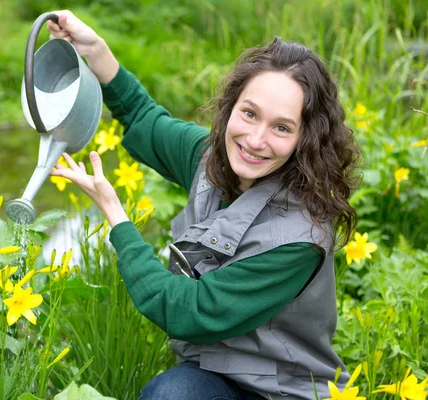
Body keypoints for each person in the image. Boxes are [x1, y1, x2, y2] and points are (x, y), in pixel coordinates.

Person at [47, 10, 360, 400]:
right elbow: (144, 118)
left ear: (305, 138)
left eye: (282, 127)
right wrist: (97, 51)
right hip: (214, 375)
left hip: (279, 392)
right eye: (249, 114)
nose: (255, 139)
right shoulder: (210, 157)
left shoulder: (299, 238)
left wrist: (116, 216)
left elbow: (187, 312)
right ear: (230, 108)